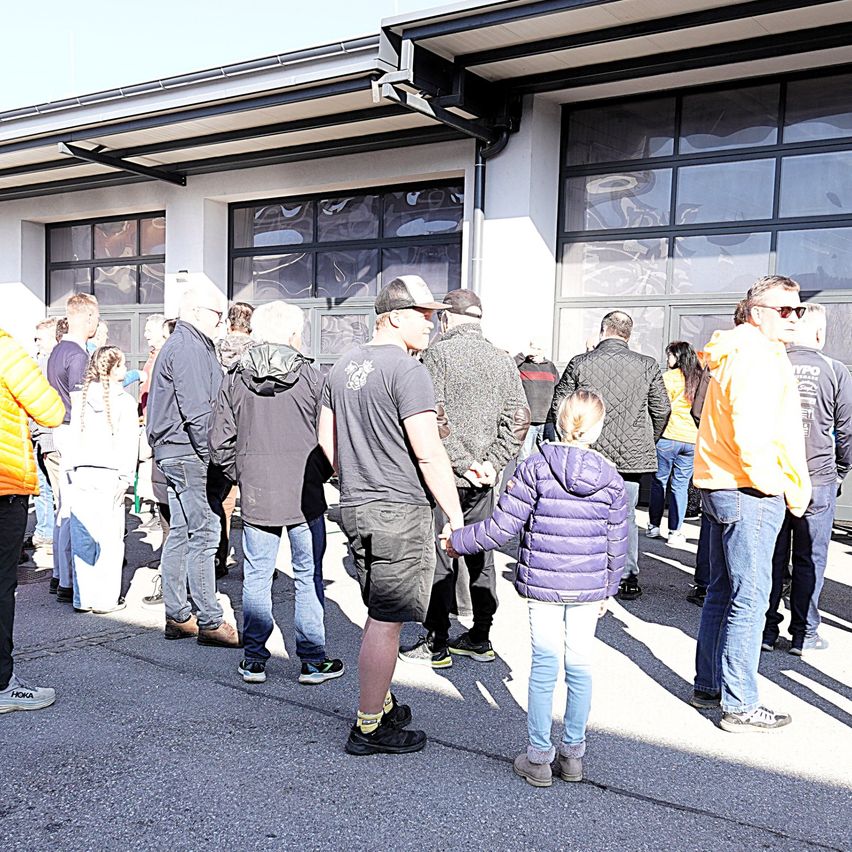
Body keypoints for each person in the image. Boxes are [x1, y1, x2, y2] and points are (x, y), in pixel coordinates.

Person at [447, 390, 627, 786]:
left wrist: (455, 541)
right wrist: (608, 589)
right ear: (596, 430)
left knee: (545, 667)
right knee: (579, 667)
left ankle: (539, 757)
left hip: (543, 583)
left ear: (559, 422)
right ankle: (574, 755)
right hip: (587, 588)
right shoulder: (612, 479)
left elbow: (502, 528)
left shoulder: (535, 466)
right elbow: (618, 542)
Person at [319, 275, 464, 756]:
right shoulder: (407, 370)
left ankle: (378, 703)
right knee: (387, 620)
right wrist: (454, 514)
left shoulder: (342, 365)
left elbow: (327, 443)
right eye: (426, 315)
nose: (433, 324)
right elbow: (428, 453)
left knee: (377, 612)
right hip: (398, 509)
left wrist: (353, 478)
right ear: (396, 316)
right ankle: (368, 726)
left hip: (357, 506)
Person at [692, 275, 810, 732]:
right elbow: (751, 427)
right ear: (758, 312)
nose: (794, 318)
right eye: (786, 310)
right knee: (752, 597)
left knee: (725, 591)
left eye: (797, 310)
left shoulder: (737, 350)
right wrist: (771, 484)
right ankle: (739, 704)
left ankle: (710, 685)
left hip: (727, 484)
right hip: (748, 489)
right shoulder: (754, 355)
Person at [209, 300, 343, 685]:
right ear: (292, 334)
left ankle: (254, 659)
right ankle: (313, 660)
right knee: (308, 575)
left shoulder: (234, 377)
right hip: (305, 493)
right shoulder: (313, 377)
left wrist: (243, 472)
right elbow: (330, 437)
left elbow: (220, 440)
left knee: (256, 576)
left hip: (258, 492)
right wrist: (321, 473)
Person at [400, 289, 529, 668]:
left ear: (447, 319)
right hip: (484, 478)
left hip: (447, 473)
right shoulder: (502, 359)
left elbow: (433, 415)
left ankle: (436, 641)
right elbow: (519, 418)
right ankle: (481, 635)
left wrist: (461, 462)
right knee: (479, 552)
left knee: (441, 552)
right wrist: (491, 462)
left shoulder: (436, 355)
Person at [549, 311, 670, 601]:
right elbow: (662, 408)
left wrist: (568, 437)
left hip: (586, 449)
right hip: (630, 456)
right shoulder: (648, 365)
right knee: (625, 515)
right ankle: (627, 577)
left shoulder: (581, 362)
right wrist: (645, 440)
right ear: (628, 334)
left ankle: (580, 570)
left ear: (604, 330)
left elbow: (559, 404)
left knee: (582, 512)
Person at [146, 281, 240, 647]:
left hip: (177, 452)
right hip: (188, 452)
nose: (221, 322)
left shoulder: (186, 343)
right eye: (218, 315)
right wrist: (217, 457)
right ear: (199, 312)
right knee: (204, 533)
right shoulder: (188, 347)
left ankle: (179, 615)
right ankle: (210, 620)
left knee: (184, 533)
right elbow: (200, 412)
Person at [762, 303, 852, 655]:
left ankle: (767, 630)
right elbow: (846, 430)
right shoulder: (834, 369)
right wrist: (842, 469)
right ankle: (804, 632)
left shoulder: (772, 363)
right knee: (810, 558)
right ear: (818, 333)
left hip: (774, 476)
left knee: (772, 555)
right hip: (818, 477)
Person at [0, 325, 64, 713]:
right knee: (1, 586)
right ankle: (2, 684)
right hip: (4, 485)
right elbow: (51, 410)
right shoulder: (6, 350)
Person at [67, 346, 138, 613]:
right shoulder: (125, 402)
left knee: (84, 534)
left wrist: (70, 469)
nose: (125, 369)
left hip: (82, 470)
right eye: (121, 365)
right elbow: (129, 442)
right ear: (113, 369)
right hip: (110, 472)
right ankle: (106, 599)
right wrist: (125, 476)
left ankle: (82, 597)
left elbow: (72, 437)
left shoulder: (81, 399)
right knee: (109, 539)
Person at [688, 300, 749, 607]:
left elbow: (698, 409)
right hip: (740, 472)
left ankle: (703, 582)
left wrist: (711, 435)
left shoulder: (716, 360)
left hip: (711, 465)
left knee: (710, 531)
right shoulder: (750, 359)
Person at [46, 293, 100, 601]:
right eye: (96, 317)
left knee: (61, 508)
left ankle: (58, 574)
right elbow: (81, 404)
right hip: (72, 432)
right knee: (71, 508)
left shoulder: (57, 350)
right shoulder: (78, 355)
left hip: (57, 429)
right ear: (88, 318)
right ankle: (68, 579)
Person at [212, 301, 256, 580]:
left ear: (229, 321)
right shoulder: (257, 350)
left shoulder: (215, 348)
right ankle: (256, 562)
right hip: (249, 428)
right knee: (253, 503)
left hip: (223, 424)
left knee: (222, 500)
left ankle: (219, 556)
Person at [647, 341, 702, 548]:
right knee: (680, 485)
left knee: (659, 482)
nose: (667, 360)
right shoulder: (699, 379)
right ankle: (675, 531)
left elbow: (660, 408)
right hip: (691, 440)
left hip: (668, 437)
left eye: (669, 355)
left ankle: (653, 526)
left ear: (677, 357)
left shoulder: (668, 378)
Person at [28, 318, 59, 555]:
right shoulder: (39, 361)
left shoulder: (50, 364)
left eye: (40, 339)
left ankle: (49, 533)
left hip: (47, 435)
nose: (36, 344)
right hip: (38, 434)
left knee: (49, 485)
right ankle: (46, 530)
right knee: (42, 485)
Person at [515, 338, 559, 461]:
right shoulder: (522, 365)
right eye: (531, 348)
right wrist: (523, 355)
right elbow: (508, 367)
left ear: (543, 351)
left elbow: (558, 390)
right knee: (523, 458)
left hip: (547, 420)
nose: (533, 352)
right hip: (528, 421)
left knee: (551, 458)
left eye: (537, 349)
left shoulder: (550, 367)